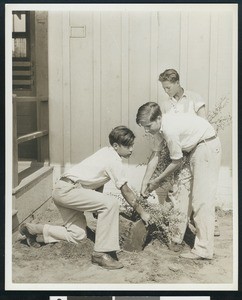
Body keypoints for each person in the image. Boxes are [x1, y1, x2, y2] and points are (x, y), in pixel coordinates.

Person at [19, 126, 150, 270]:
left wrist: (97, 202)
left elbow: (97, 180)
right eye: (128, 146)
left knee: (78, 235)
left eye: (132, 145)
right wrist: (142, 212)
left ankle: (34, 231)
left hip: (62, 190)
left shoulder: (105, 152)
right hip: (69, 190)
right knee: (111, 203)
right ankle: (100, 253)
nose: (131, 149)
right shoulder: (113, 159)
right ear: (116, 146)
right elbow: (125, 190)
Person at [136, 102, 221, 260]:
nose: (146, 130)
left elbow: (176, 161)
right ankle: (176, 239)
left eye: (148, 126)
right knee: (181, 193)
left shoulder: (170, 129)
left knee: (201, 199)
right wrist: (145, 181)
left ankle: (204, 249)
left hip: (206, 146)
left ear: (159, 118)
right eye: (144, 127)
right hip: (192, 149)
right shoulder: (158, 128)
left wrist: (156, 181)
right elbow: (155, 155)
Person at [157, 69, 220, 251]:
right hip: (180, 153)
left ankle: (205, 235)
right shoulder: (165, 105)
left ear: (177, 82)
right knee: (180, 192)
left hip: (199, 146)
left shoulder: (194, 98)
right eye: (164, 88)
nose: (166, 91)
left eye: (168, 87)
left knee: (201, 195)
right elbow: (167, 135)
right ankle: (178, 236)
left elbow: (204, 123)